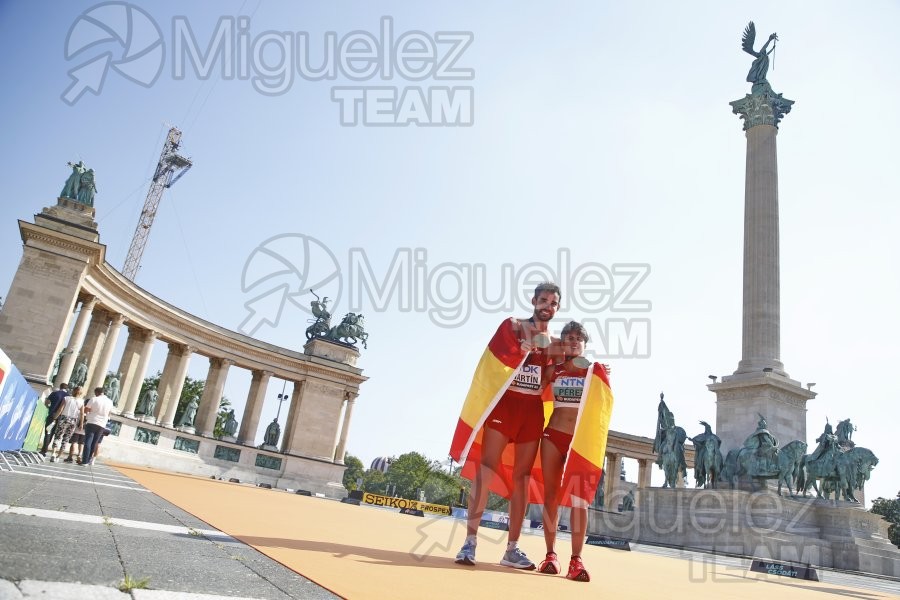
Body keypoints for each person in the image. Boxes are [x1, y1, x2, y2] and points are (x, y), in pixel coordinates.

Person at [451, 282, 562, 569]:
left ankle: (512, 548)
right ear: (534, 300)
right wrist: (520, 348)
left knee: (522, 478)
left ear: (557, 308)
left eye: (553, 303)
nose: (548, 306)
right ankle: (470, 542)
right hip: (506, 404)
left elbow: (551, 376)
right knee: (486, 469)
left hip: (532, 409)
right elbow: (496, 358)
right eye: (544, 300)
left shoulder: (555, 342)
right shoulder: (513, 325)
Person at [535, 321, 613, 582]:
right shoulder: (552, 370)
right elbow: (534, 393)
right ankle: (550, 555)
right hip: (552, 436)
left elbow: (603, 409)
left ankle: (576, 560)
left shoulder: (594, 372)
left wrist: (603, 374)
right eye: (568, 338)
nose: (574, 342)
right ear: (562, 343)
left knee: (580, 500)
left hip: (579, 442)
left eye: (579, 338)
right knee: (551, 497)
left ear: (585, 344)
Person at [47, 387, 82, 462]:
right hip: (73, 420)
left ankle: (53, 453)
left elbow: (60, 409)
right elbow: (82, 414)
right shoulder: (81, 401)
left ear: (73, 391)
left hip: (63, 419)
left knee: (58, 436)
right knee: (66, 439)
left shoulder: (66, 398)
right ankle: (58, 456)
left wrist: (55, 417)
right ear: (81, 393)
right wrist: (81, 424)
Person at [82, 387, 113, 466]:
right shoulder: (110, 402)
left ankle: (84, 461)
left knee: (88, 441)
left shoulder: (94, 399)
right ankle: (89, 459)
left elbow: (86, 410)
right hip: (102, 424)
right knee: (94, 442)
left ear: (97, 392)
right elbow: (109, 414)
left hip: (92, 421)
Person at [41, 383, 69, 455]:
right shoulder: (68, 396)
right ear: (66, 388)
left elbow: (47, 402)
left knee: (48, 432)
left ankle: (44, 450)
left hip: (52, 415)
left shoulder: (55, 393)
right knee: (55, 434)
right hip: (61, 418)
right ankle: (50, 449)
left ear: (60, 387)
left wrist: (48, 407)